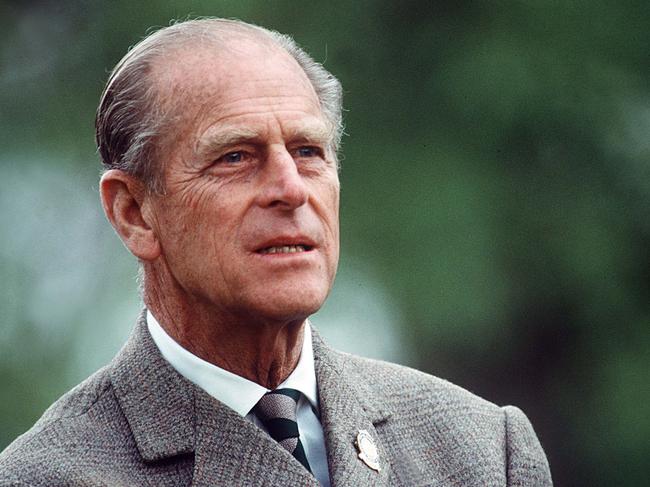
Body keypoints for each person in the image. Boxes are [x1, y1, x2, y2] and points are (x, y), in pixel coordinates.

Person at [0, 18, 552, 486]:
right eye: (236, 157)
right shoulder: (50, 474)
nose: (291, 189)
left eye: (309, 151)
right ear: (135, 213)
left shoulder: (481, 449)